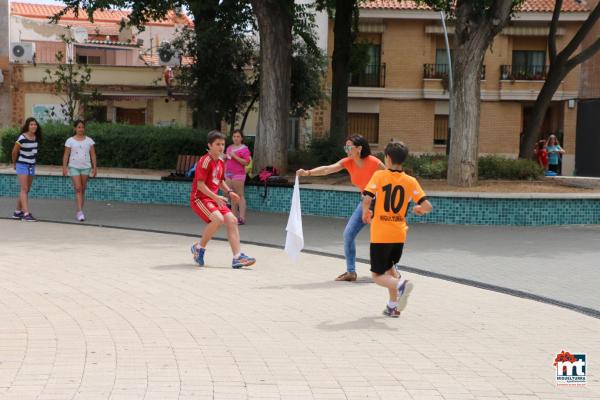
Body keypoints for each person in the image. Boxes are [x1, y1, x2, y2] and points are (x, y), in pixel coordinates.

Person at [297, 135, 384, 282]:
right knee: (348, 234)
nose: (347, 150)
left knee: (383, 238)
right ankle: (351, 272)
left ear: (359, 148)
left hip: (381, 203)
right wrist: (308, 172)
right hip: (365, 203)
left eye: (350, 147)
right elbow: (327, 170)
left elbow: (391, 178)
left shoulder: (374, 162)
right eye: (346, 147)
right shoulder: (348, 162)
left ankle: (392, 271)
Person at [362, 141, 433, 317]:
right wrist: (419, 210)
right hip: (399, 234)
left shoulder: (379, 175)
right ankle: (393, 307)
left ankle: (402, 285)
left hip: (381, 233)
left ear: (387, 157)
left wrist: (365, 213)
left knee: (377, 276)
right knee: (390, 269)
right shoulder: (410, 181)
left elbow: (367, 197)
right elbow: (428, 206)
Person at [190, 130, 256, 269]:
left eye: (223, 144)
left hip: (214, 199)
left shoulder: (220, 161)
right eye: (217, 144)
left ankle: (237, 257)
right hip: (200, 199)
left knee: (232, 220)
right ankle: (199, 248)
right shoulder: (205, 161)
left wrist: (230, 192)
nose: (221, 147)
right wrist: (216, 197)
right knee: (218, 219)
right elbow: (200, 186)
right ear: (209, 145)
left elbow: (220, 181)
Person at [62, 120, 97, 222]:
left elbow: (93, 154)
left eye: (82, 127)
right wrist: (64, 167)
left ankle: (80, 210)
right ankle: (80, 212)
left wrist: (95, 167)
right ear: (75, 128)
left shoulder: (89, 141)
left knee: (82, 189)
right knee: (78, 188)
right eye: (79, 127)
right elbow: (66, 155)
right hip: (73, 167)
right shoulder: (70, 141)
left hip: (86, 167)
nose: (81, 129)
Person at [11, 117, 42, 222]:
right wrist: (15, 163)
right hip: (22, 164)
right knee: (24, 189)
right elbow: (14, 152)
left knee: (26, 189)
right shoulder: (22, 138)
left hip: (31, 165)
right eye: (31, 124)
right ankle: (26, 214)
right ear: (27, 126)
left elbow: (34, 152)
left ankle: (17, 212)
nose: (34, 126)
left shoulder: (36, 137)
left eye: (35, 124)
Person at [225, 129, 252, 225]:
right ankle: (233, 217)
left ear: (241, 138)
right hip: (228, 174)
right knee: (232, 196)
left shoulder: (244, 149)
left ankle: (242, 218)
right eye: (234, 136)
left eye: (238, 136)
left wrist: (235, 156)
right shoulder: (229, 148)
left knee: (240, 195)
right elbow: (227, 161)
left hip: (238, 174)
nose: (236, 138)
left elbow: (247, 162)